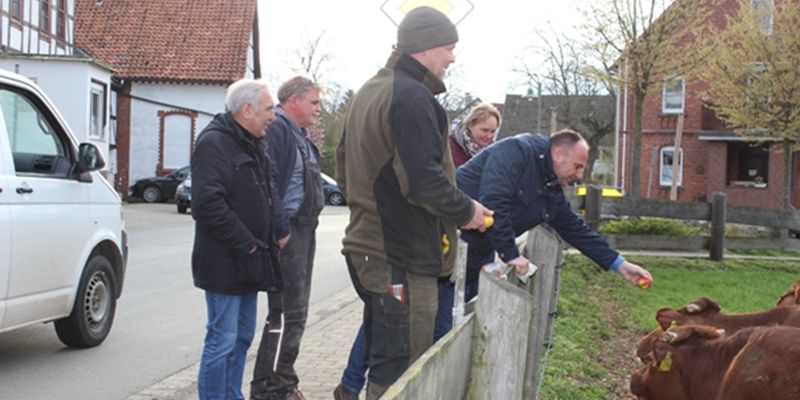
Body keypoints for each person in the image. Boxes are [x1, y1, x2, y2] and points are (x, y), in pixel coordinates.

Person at [334, 6, 492, 400]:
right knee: (401, 371)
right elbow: (424, 182)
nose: (453, 58)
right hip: (398, 257)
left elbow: (342, 164)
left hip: (369, 250)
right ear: (425, 48)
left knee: (385, 356)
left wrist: (370, 208)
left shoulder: (369, 90)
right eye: (449, 48)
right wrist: (467, 211)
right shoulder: (413, 98)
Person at [191, 78, 290, 400]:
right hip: (225, 262)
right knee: (222, 339)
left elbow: (268, 189)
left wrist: (278, 227)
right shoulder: (214, 143)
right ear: (246, 110)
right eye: (269, 109)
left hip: (251, 261)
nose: (273, 117)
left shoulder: (253, 142)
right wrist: (247, 243)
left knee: (243, 337)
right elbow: (207, 205)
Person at [457, 129, 652, 291]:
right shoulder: (516, 152)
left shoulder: (550, 189)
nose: (580, 175)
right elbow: (493, 202)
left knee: (458, 320)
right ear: (558, 154)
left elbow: (576, 230)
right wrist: (511, 254)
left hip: (474, 256)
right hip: (443, 241)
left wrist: (620, 265)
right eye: (577, 167)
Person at [250, 76, 324, 400]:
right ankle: (270, 389)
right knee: (286, 314)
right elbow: (269, 184)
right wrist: (281, 231)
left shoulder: (301, 135)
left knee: (298, 312)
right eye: (314, 102)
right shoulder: (279, 129)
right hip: (289, 234)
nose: (318, 109)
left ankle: (283, 382)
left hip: (304, 231)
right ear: (294, 101)